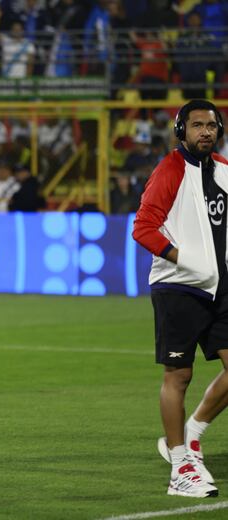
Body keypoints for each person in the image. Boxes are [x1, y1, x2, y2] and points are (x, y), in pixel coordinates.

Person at [133, 99, 228, 498]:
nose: (206, 131)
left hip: (220, 287)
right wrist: (185, 259)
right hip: (178, 286)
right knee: (179, 375)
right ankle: (179, 468)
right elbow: (143, 227)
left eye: (212, 125)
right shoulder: (170, 170)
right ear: (181, 131)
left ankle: (192, 432)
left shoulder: (223, 170)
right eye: (197, 125)